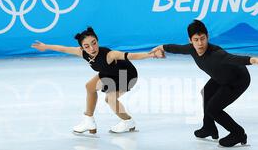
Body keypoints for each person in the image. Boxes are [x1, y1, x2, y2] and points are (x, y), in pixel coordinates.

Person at [152, 20, 258, 147]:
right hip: (220, 76)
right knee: (207, 92)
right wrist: (161, 47)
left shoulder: (216, 54)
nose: (200, 43)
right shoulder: (191, 49)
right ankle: (209, 127)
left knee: (213, 109)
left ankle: (238, 133)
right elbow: (177, 48)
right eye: (196, 39)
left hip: (238, 80)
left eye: (203, 38)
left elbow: (232, 58)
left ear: (207, 37)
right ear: (190, 40)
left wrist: (251, 60)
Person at [32, 27, 164, 134]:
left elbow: (131, 55)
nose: (92, 48)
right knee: (90, 87)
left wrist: (151, 54)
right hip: (109, 73)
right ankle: (88, 120)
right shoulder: (82, 52)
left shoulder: (109, 54)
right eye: (87, 46)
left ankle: (128, 122)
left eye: (94, 43)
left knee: (110, 100)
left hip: (126, 75)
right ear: (82, 48)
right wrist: (46, 46)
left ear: (97, 41)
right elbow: (63, 48)